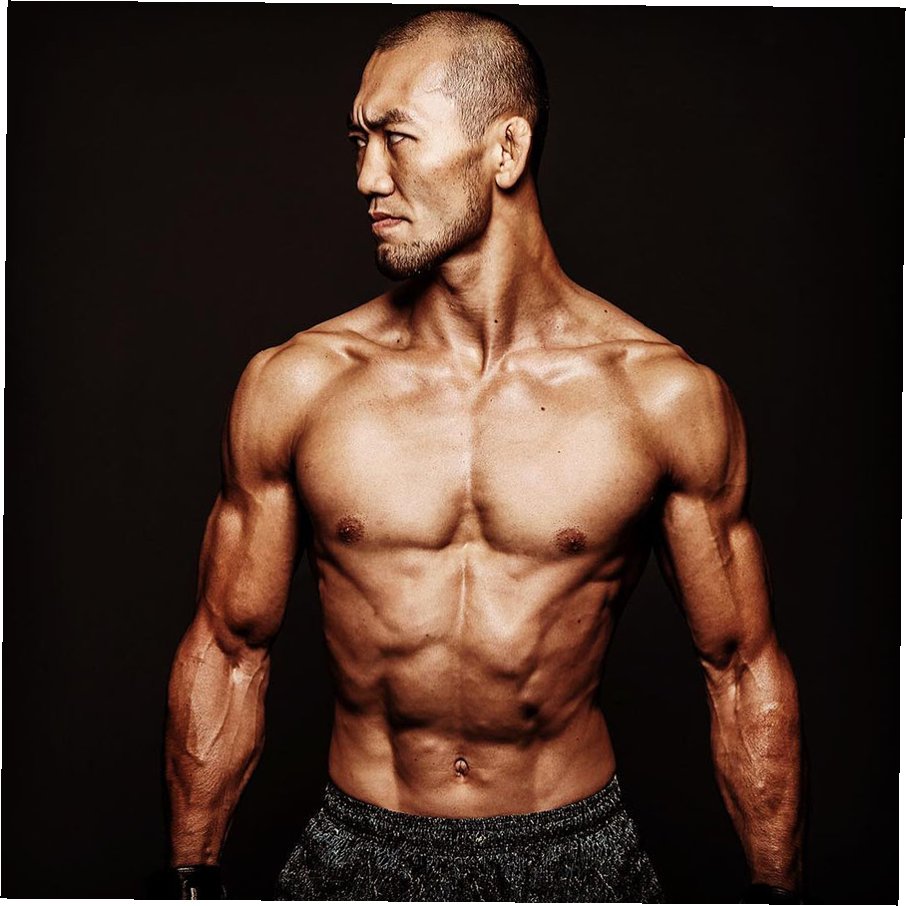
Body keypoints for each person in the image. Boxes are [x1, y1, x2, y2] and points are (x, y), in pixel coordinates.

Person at [164, 9, 803, 903]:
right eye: (358, 142)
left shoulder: (662, 399)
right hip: (357, 849)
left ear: (506, 150)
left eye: (396, 138)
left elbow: (739, 668)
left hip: (574, 853)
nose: (366, 177)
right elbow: (230, 648)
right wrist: (188, 881)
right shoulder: (299, 385)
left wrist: (779, 894)